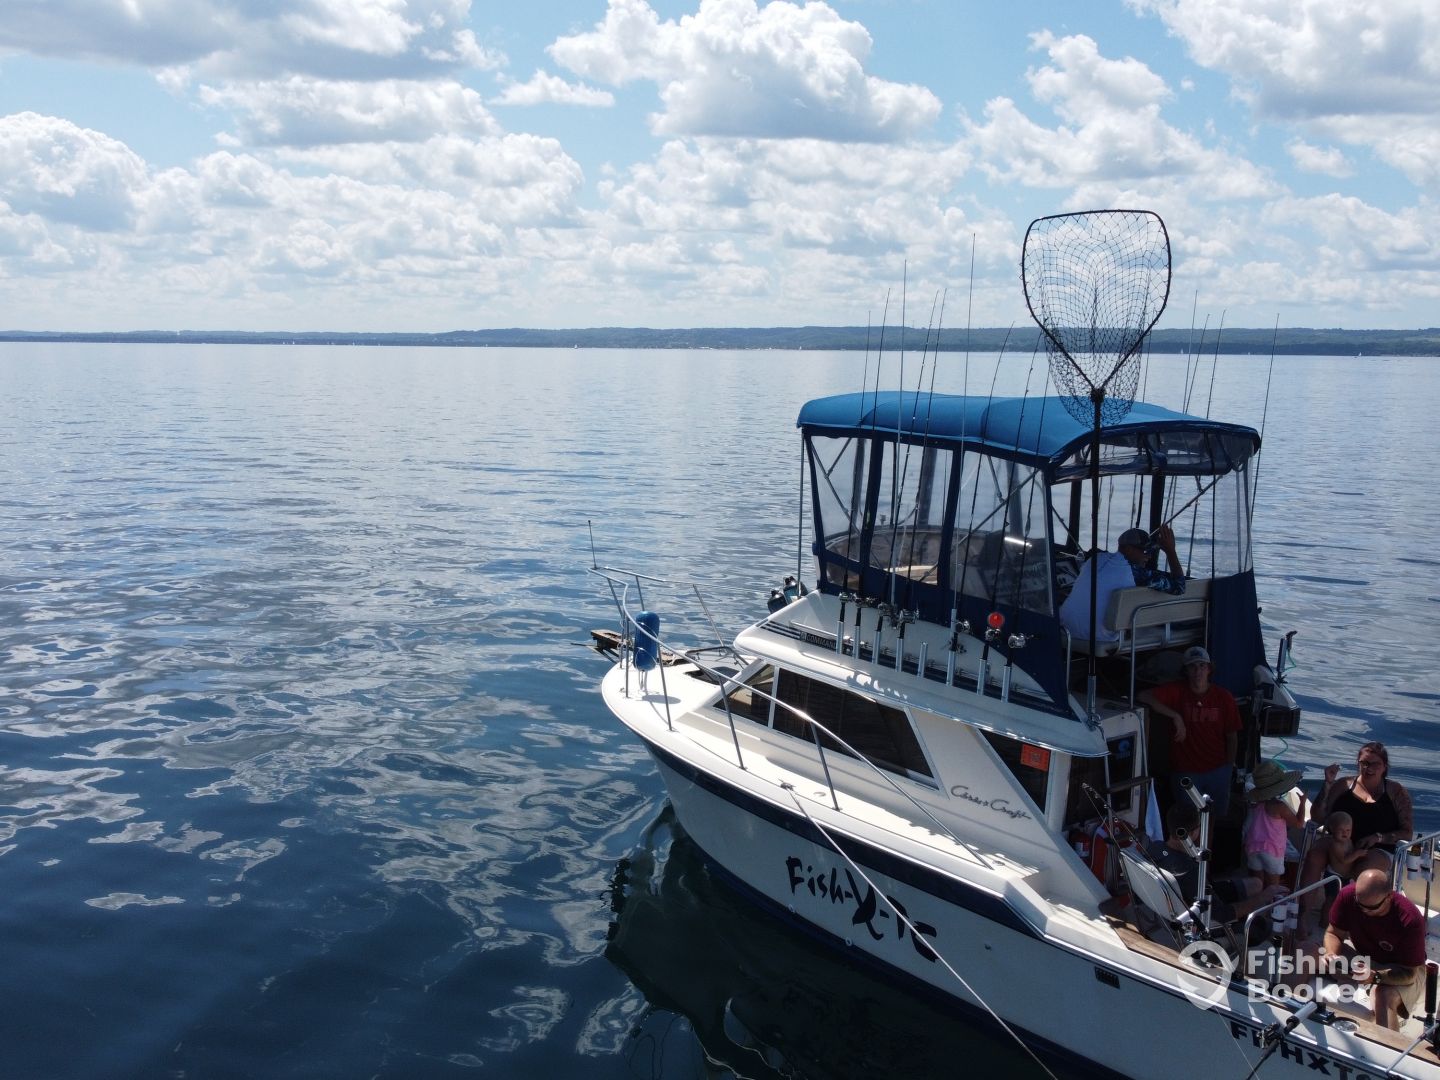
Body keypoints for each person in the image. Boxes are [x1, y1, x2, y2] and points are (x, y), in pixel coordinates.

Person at [1139, 646, 1243, 816]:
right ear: (1186, 670)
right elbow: (1143, 696)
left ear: (1209, 669)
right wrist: (1175, 716)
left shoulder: (1224, 697)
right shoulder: (1177, 691)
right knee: (1188, 819)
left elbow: (1232, 736)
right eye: (1192, 666)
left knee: (1217, 818)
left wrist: (1228, 769)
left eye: (1202, 666)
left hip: (1218, 771)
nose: (1197, 671)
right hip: (1186, 772)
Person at [1322, 868, 1426, 1030]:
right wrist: (1331, 954)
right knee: (1307, 949)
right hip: (1364, 957)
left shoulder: (1410, 920)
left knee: (1382, 995)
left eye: (1371, 908)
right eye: (1359, 905)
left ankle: (1388, 1045)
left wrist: (1375, 977)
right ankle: (1287, 1017)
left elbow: (1409, 974)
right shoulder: (1348, 895)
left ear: (1389, 897)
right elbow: (1333, 933)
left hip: (1403, 969)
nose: (1363, 911)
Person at [1149, 803, 1283, 923]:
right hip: (1206, 912)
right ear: (1193, 833)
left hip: (1193, 894)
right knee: (1265, 926)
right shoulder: (1190, 871)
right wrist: (1263, 897)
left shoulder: (1155, 848)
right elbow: (1222, 915)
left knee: (1256, 884)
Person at [1059, 523, 1185, 644]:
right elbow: (1179, 587)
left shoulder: (1094, 559)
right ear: (1128, 549)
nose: (1149, 556)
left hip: (1065, 630)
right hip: (1098, 638)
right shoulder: (1135, 573)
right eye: (1145, 551)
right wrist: (1170, 551)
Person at [1307, 741, 1414, 876]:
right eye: (1364, 763)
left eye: (1375, 764)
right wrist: (1328, 784)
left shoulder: (1396, 792)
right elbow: (1317, 818)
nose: (1369, 768)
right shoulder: (1343, 785)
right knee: (1314, 856)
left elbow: (1407, 833)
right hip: (1340, 844)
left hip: (1379, 849)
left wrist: (1378, 838)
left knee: (1364, 868)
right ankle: (1307, 890)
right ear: (1358, 763)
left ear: (1384, 767)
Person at [1242, 759, 1307, 887]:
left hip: (1252, 847)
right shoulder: (1279, 807)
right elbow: (1299, 824)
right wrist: (1302, 803)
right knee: (1273, 887)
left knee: (1257, 885)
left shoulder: (1255, 804)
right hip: (1272, 850)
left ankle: (1257, 899)